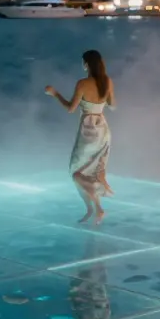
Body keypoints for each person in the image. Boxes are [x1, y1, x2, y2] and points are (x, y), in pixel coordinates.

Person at [45, 50, 114, 224]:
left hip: (88, 130)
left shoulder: (83, 83)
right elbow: (113, 106)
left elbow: (70, 108)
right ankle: (93, 209)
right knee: (86, 173)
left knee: (76, 172)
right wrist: (100, 103)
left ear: (86, 64)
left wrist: (55, 94)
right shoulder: (107, 82)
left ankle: (97, 209)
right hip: (103, 130)